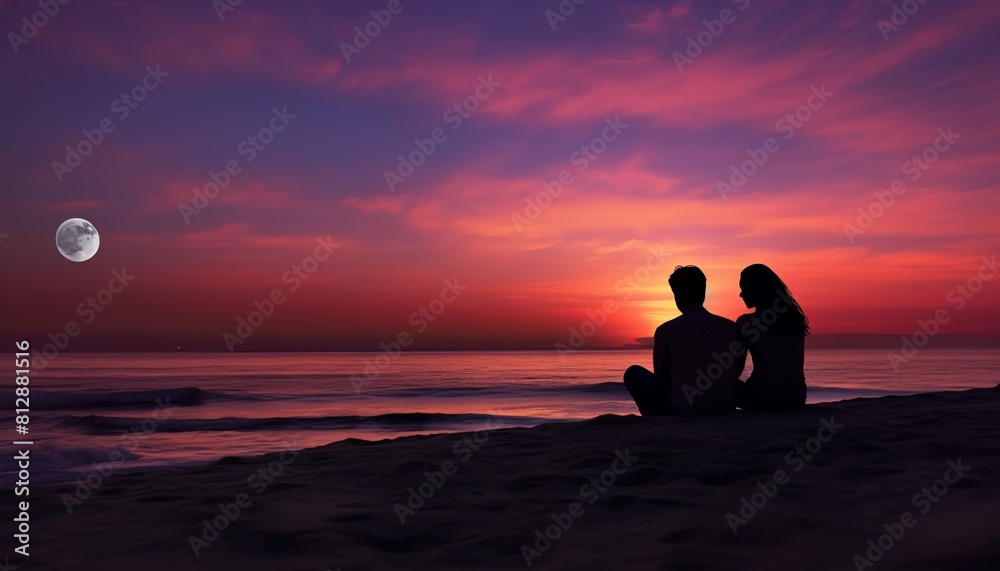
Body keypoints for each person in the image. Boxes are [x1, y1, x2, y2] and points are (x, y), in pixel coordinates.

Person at [623, 266, 742, 416]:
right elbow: (736, 371)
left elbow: (662, 377)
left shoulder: (666, 330)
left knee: (633, 373)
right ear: (703, 293)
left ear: (677, 295)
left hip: (683, 409)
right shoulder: (730, 327)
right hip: (725, 406)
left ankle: (653, 419)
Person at [735, 264, 809, 411]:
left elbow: (735, 368)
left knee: (719, 382)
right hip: (797, 397)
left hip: (763, 399)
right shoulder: (794, 318)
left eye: (744, 288)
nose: (741, 294)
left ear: (757, 289)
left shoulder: (746, 323)